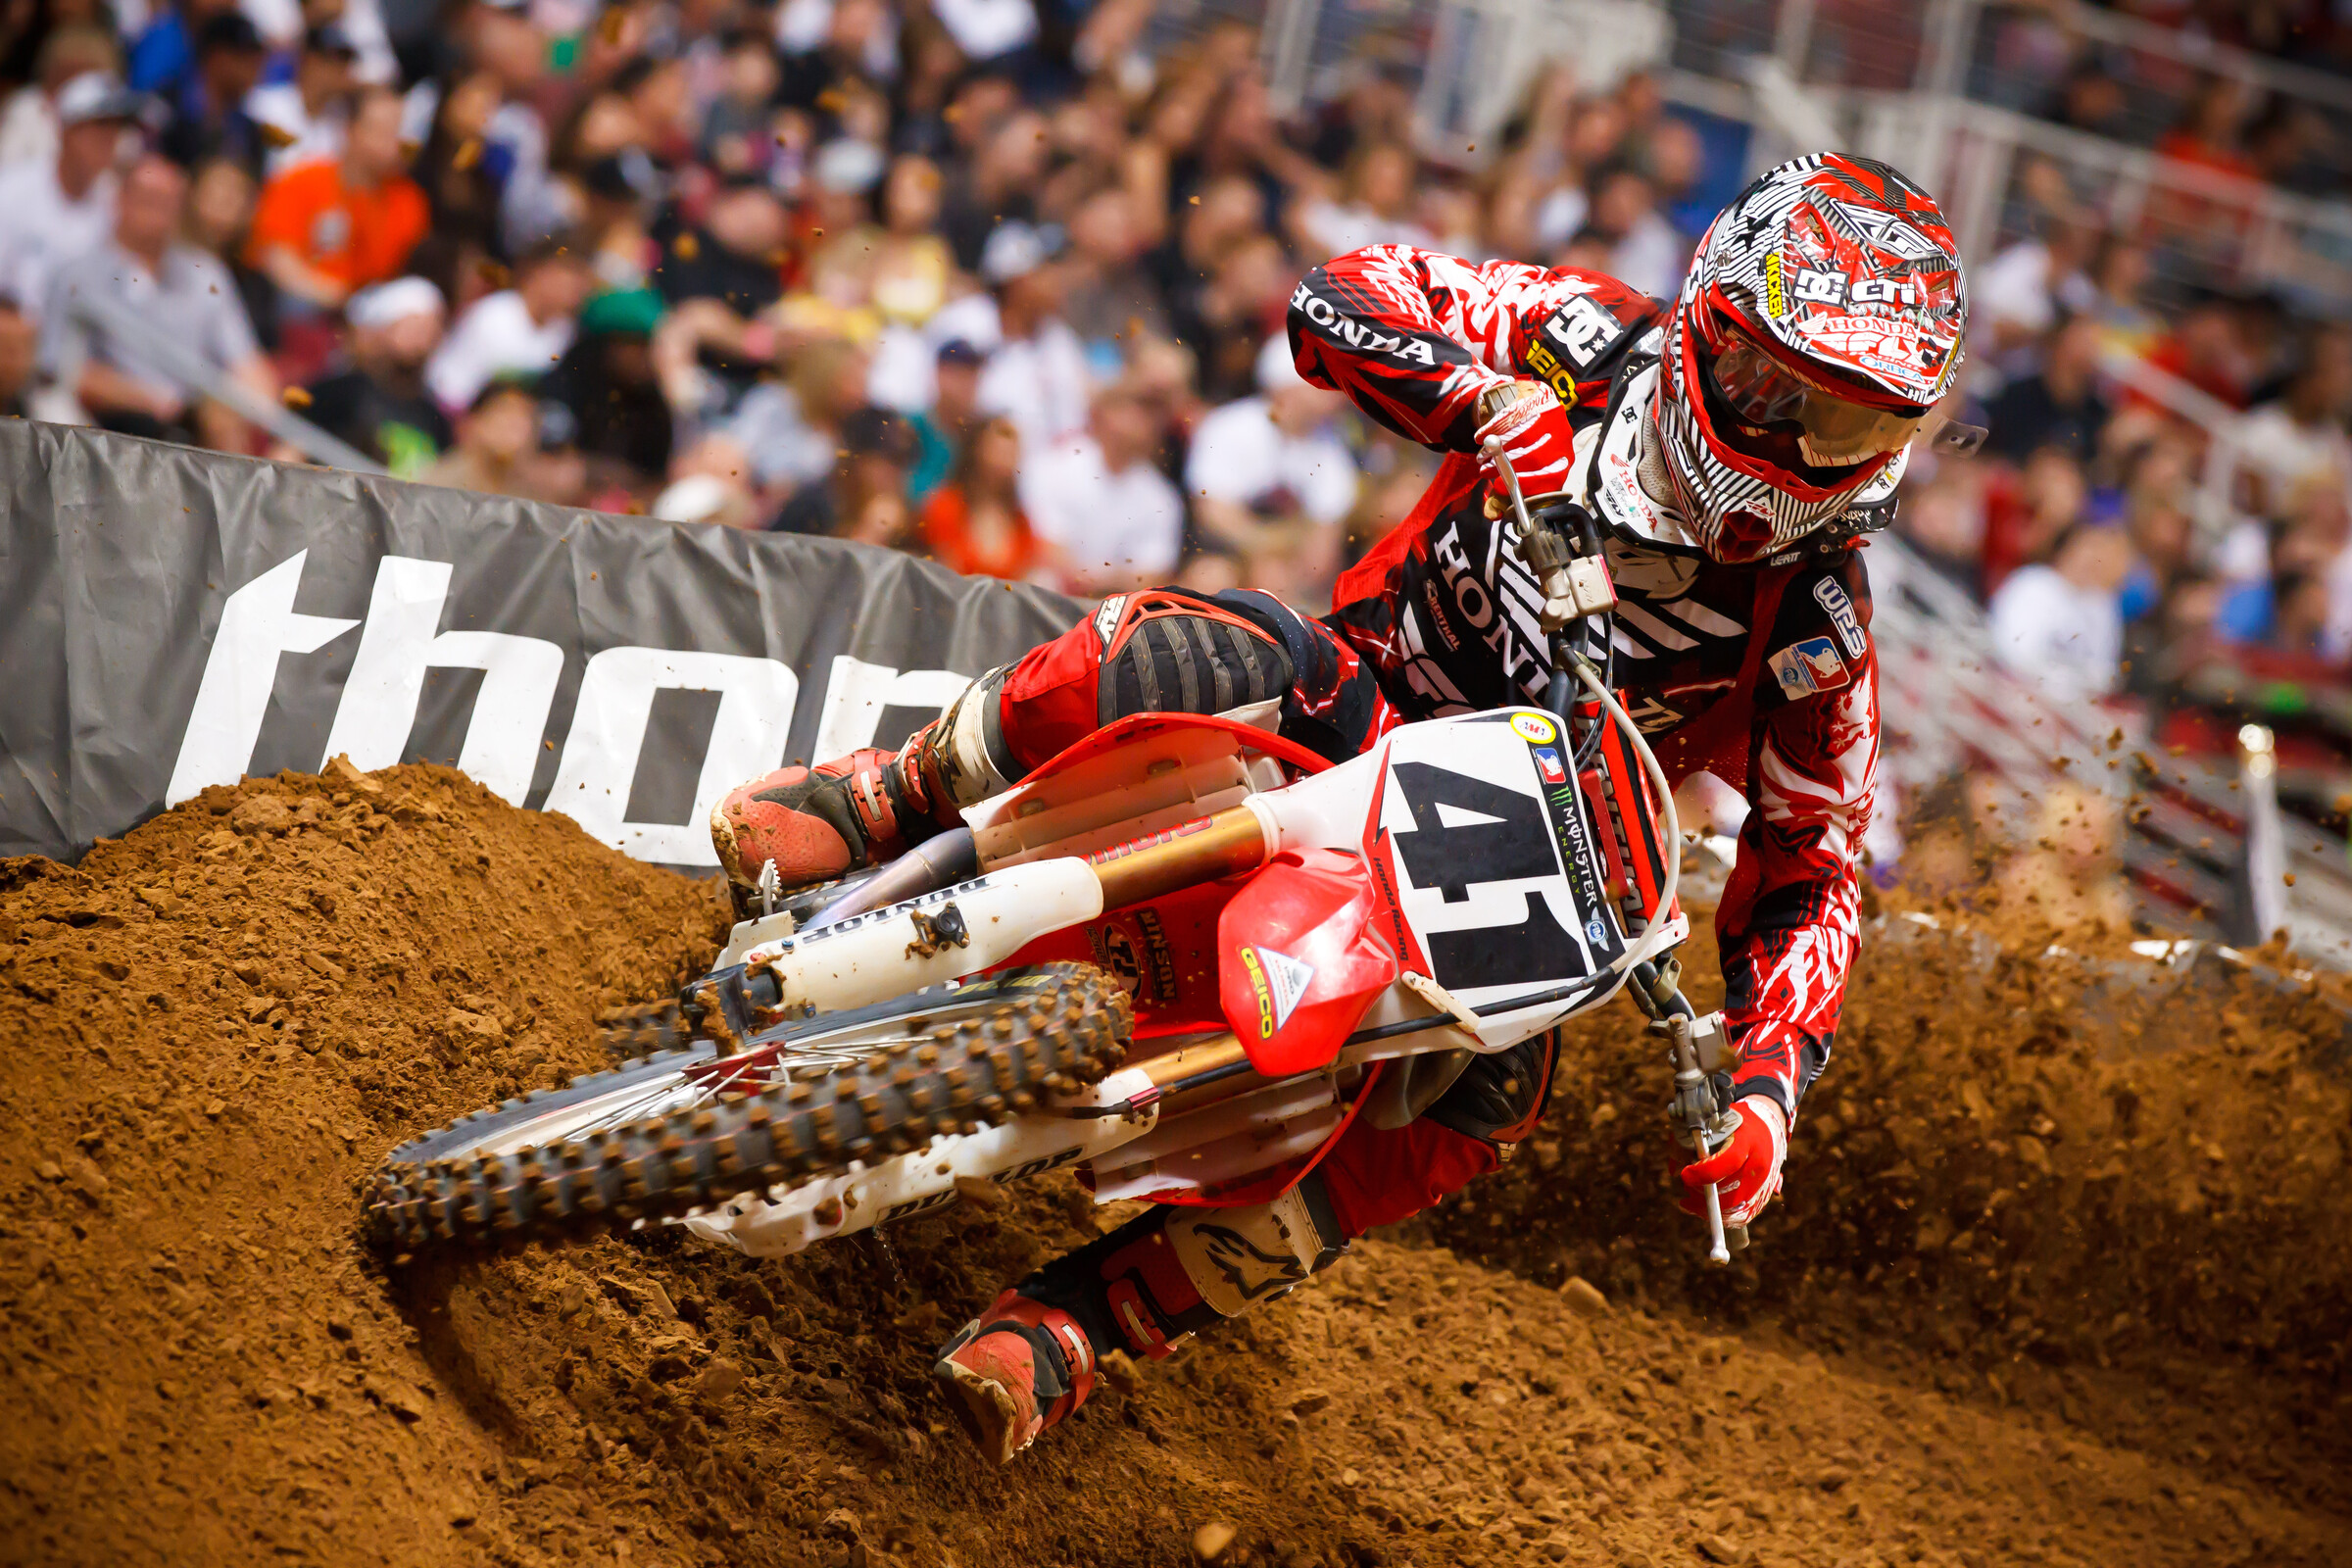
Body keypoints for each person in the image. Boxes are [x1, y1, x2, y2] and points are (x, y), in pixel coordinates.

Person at [706, 153, 1969, 1464]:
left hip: (1513, 864)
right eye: (1799, 402)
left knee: (1488, 1103)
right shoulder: (1583, 342)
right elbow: (1341, 297)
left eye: (1865, 430)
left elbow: (1816, 867)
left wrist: (1769, 1087)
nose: (1822, 455)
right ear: (1716, 333)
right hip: (1352, 699)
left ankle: (1090, 1318)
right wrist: (1474, 392)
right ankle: (895, 791)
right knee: (1204, 648)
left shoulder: (1815, 623)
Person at [41, 151, 276, 449]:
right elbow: (63, 369)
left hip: (199, 420)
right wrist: (156, 401)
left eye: (169, 202)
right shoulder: (78, 276)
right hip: (112, 425)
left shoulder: (206, 273)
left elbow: (246, 361)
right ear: (121, 199)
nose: (158, 212)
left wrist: (263, 414)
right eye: (148, 198)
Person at [245, 84, 429, 311]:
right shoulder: (302, 179)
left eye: (399, 130)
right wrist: (341, 299)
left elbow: (405, 275)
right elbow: (277, 259)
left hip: (370, 314)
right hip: (303, 306)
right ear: (349, 129)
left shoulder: (409, 199)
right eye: (382, 130)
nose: (394, 142)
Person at [1016, 377, 1185, 593]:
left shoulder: (1162, 497)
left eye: (1150, 412)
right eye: (1132, 407)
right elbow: (1042, 547)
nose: (1141, 420)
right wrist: (1100, 579)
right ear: (1101, 413)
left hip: (1118, 607)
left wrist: (1099, 582)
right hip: (1054, 594)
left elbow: (1154, 576)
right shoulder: (1054, 465)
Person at [0, 70, 139, 315]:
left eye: (117, 126)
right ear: (67, 129)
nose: (110, 137)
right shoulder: (12, 190)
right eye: (99, 124)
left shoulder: (116, 203)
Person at [423, 235, 593, 412]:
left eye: (579, 282)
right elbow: (450, 388)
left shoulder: (565, 330)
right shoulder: (493, 316)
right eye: (566, 278)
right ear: (536, 273)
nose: (573, 291)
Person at [303, 274, 451, 476]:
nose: (421, 337)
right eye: (412, 325)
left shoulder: (434, 416)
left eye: (429, 328)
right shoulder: (338, 392)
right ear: (383, 329)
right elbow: (291, 450)